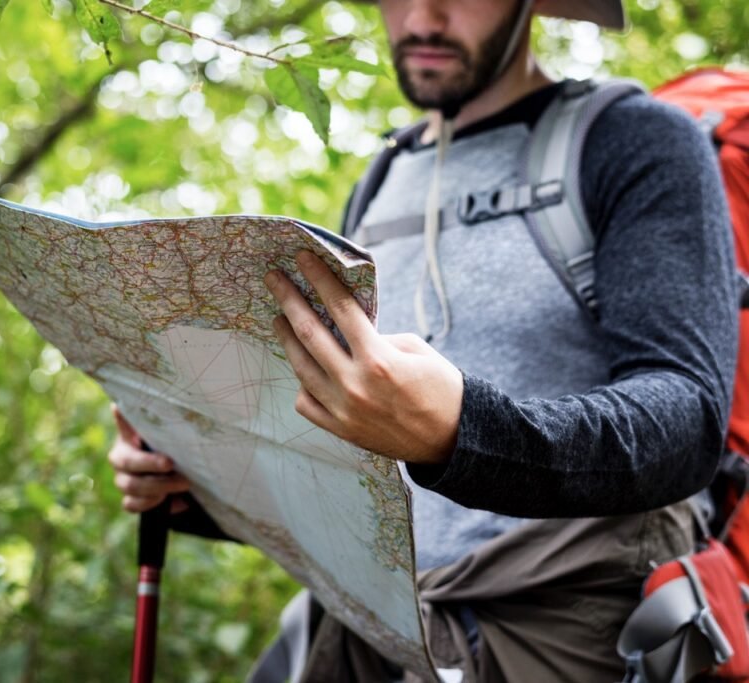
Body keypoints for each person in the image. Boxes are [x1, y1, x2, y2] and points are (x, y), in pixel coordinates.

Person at [108, 0, 740, 679]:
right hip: (376, 632)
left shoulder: (635, 141)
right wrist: (202, 485)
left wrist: (463, 430)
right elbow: (353, 464)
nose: (423, 17)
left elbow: (686, 416)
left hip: (573, 636)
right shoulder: (381, 183)